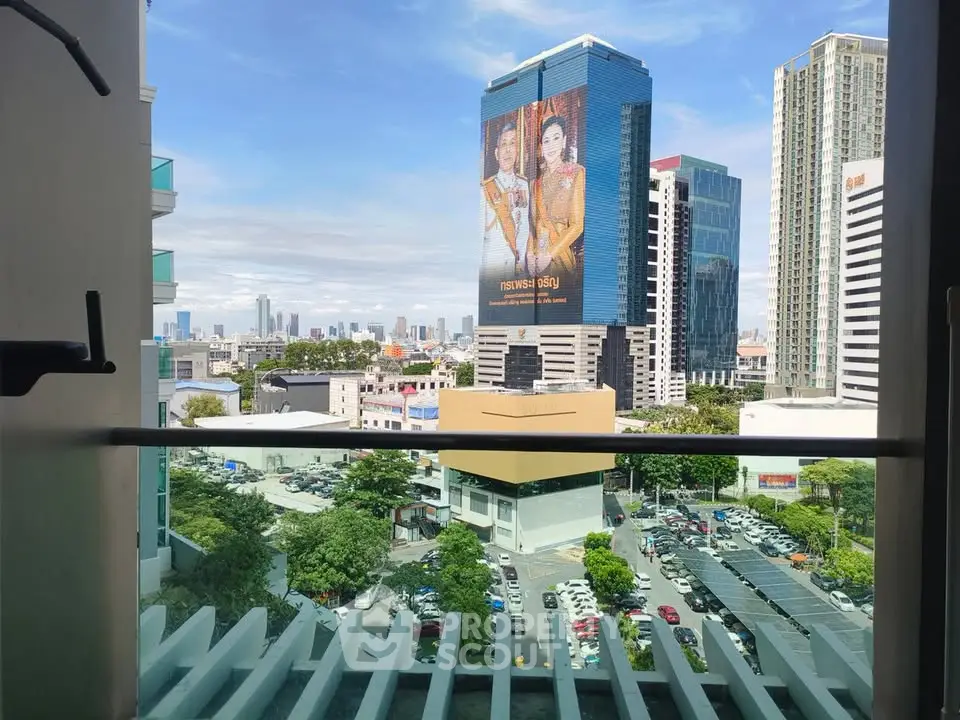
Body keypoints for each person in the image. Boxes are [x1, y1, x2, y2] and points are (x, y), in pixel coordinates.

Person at [528, 115, 585, 278]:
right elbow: (532, 227)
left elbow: (577, 225)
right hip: (536, 263)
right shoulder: (534, 183)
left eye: (556, 138)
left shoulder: (576, 173)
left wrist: (550, 254)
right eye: (546, 141)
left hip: (560, 261)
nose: (551, 145)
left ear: (564, 141)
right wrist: (529, 254)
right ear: (541, 146)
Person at [481, 121, 530, 282]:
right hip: (492, 266)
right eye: (504, 144)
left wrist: (520, 262)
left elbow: (524, 227)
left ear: (517, 151)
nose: (508, 150)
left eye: (512, 143)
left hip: (514, 267)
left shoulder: (524, 185)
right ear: (496, 153)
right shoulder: (485, 189)